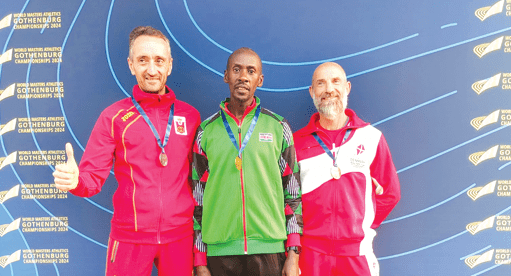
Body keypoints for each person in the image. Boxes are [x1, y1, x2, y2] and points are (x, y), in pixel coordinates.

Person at [52, 26, 201, 276]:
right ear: (131, 65)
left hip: (180, 236)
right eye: (143, 60)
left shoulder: (190, 116)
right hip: (130, 238)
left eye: (159, 60)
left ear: (170, 65)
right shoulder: (113, 117)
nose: (151, 70)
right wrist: (75, 181)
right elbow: (91, 179)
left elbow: (202, 177)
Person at [192, 47, 302, 276]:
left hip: (269, 251)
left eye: (250, 71)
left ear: (259, 79)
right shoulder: (206, 131)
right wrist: (200, 260)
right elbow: (197, 200)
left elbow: (293, 195)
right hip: (219, 253)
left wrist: (293, 254)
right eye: (236, 69)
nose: (243, 76)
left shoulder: (279, 128)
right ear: (226, 76)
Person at [293, 62, 401, 276]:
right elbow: (286, 199)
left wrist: (359, 225)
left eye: (335, 81)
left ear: (347, 88)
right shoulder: (296, 143)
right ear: (312, 92)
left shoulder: (371, 138)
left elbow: (390, 193)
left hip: (357, 254)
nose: (329, 89)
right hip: (311, 255)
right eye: (320, 83)